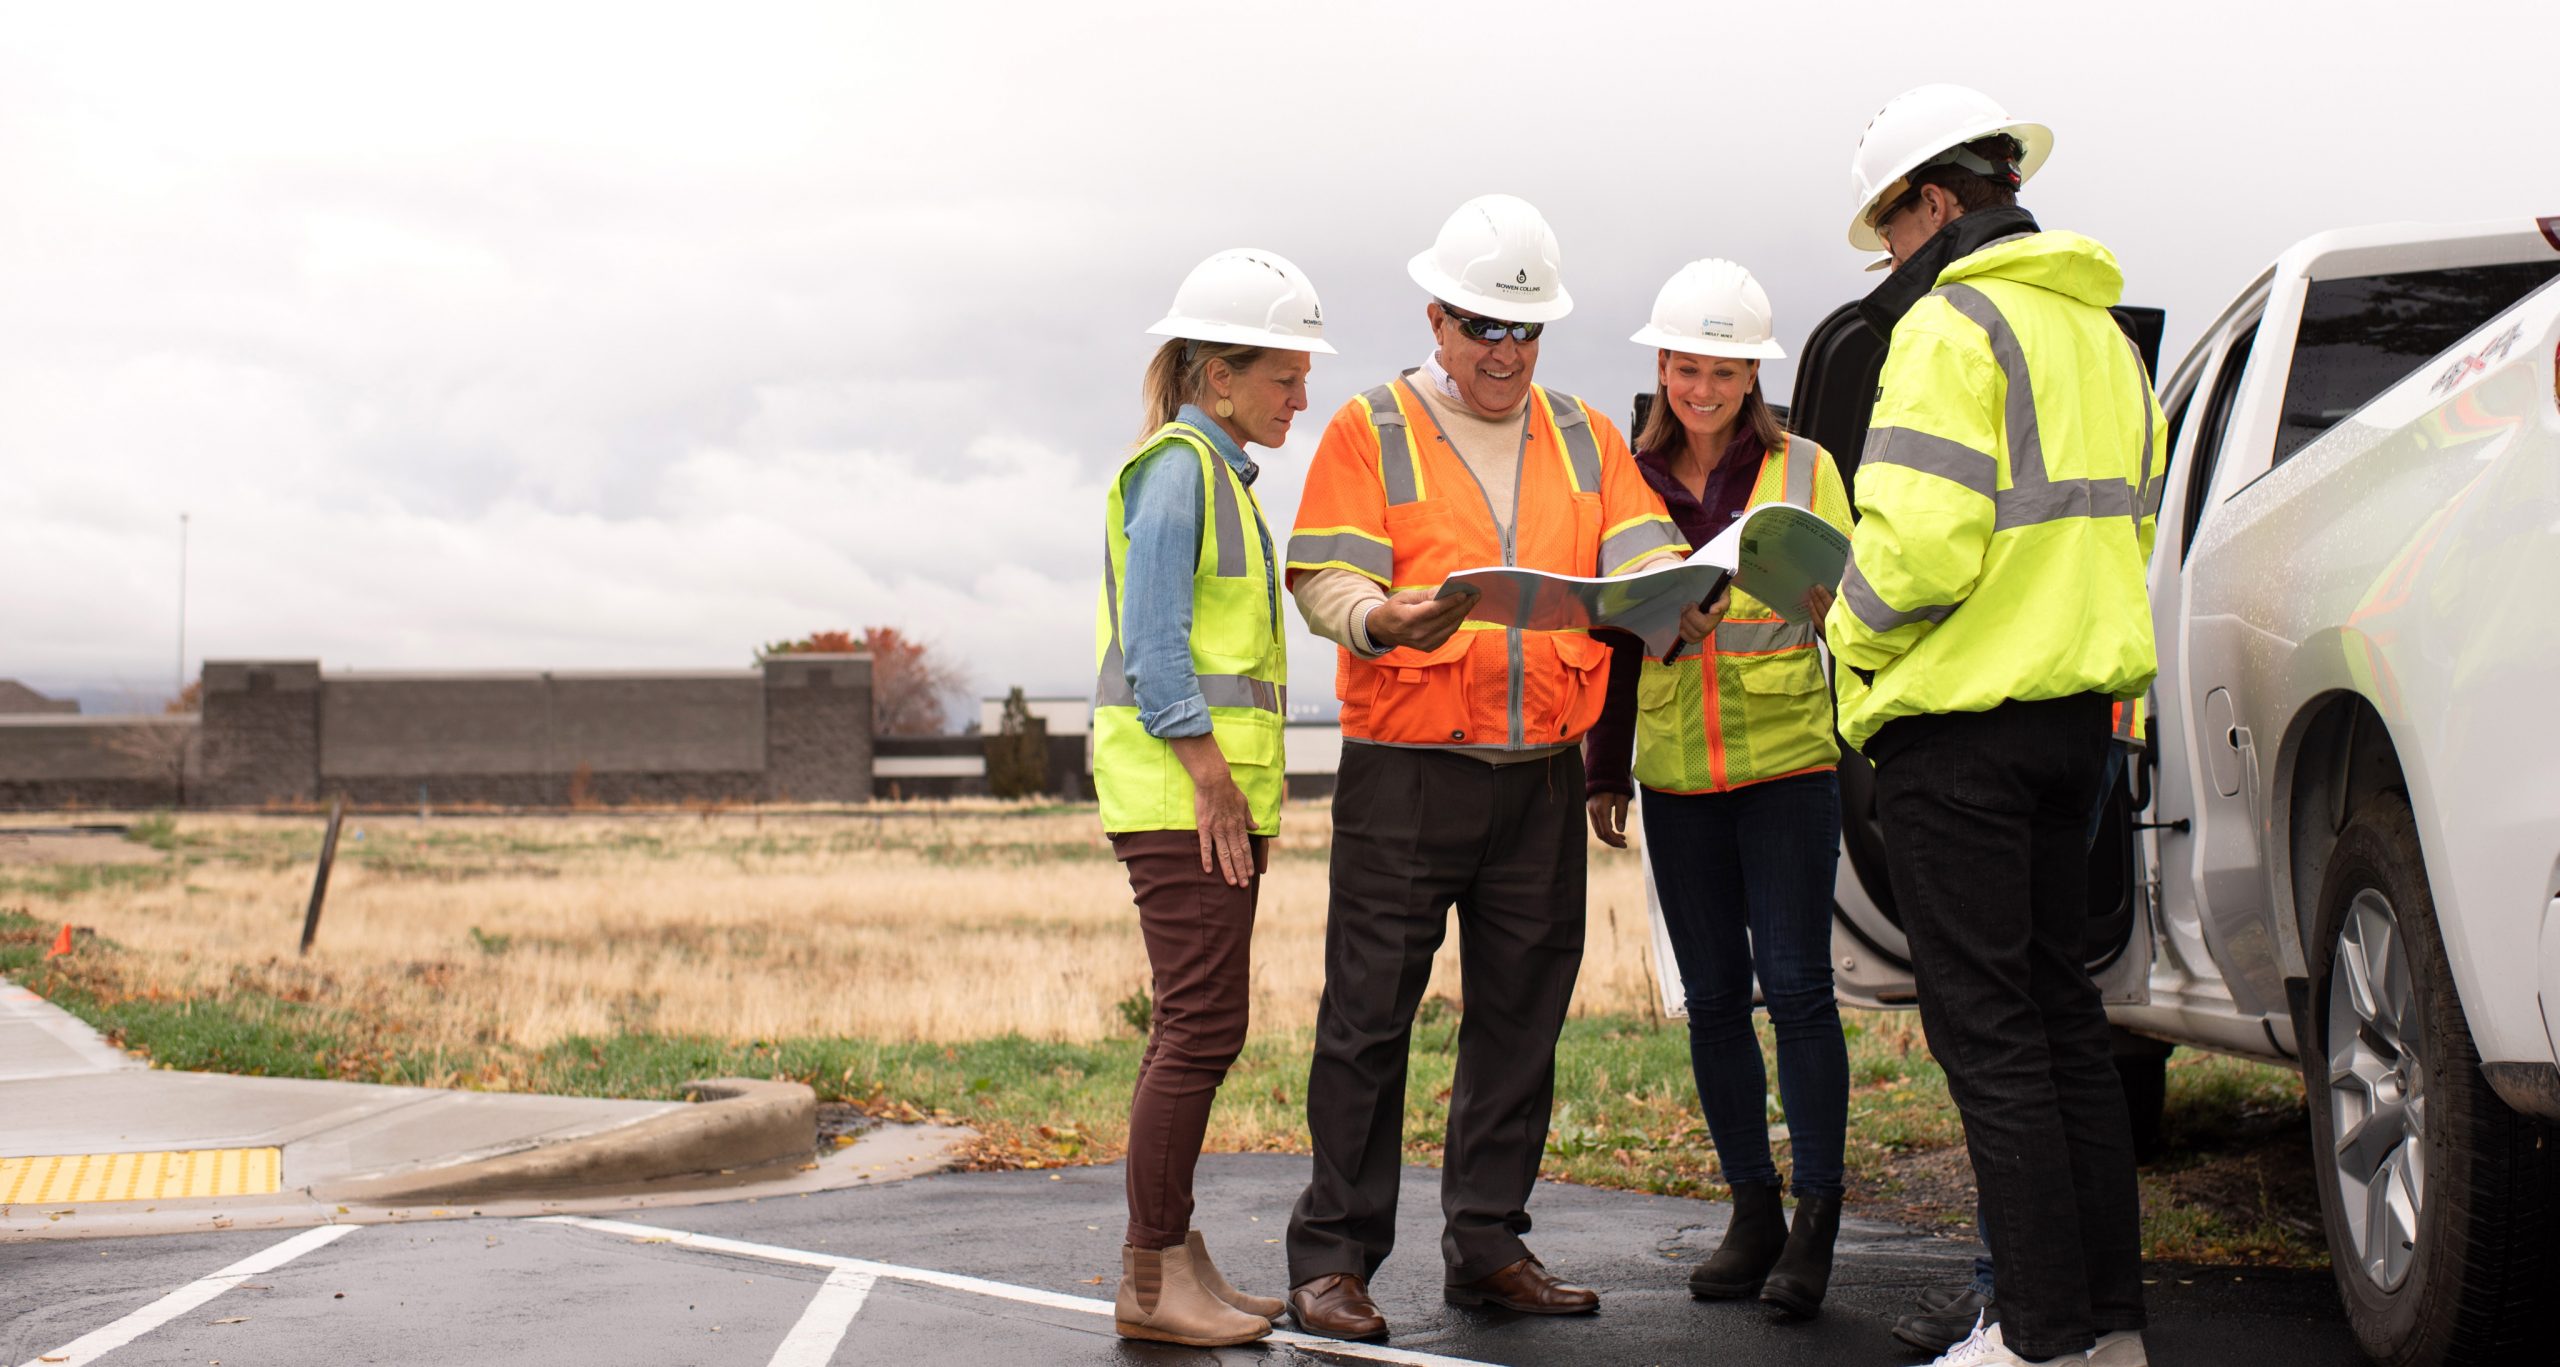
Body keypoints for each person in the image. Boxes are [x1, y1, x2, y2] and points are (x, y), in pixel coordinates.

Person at [1279, 193, 1688, 1341]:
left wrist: (1680, 595)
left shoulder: (1584, 433)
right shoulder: (1371, 428)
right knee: (1366, 1016)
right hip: (1407, 768)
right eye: (1483, 329)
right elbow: (1323, 578)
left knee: (1521, 1015)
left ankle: (1488, 1242)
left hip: (1544, 774)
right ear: (1437, 319)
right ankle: (1333, 1259)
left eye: (1526, 331)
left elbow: (1644, 548)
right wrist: (1377, 620)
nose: (1507, 353)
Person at [1824, 85, 2166, 1367]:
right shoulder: (2103, 337)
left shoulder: (1949, 325)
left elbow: (1915, 547)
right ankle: (2103, 1332)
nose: (1890, 262)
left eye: (1891, 231)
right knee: (2064, 1026)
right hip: (2075, 723)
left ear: (1933, 201)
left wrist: (1839, 634)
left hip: (1957, 727)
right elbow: (2124, 528)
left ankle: (2032, 1338)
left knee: (1995, 1042)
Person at [1582, 259, 1857, 1320]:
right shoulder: (1625, 473)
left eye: (1723, 371)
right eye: (1686, 367)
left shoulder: (1808, 467)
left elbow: (1850, 599)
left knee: (1795, 988)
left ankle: (1819, 1217)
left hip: (1788, 758)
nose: (1701, 389)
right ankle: (1754, 1208)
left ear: (1753, 373)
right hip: (1675, 771)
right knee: (1710, 1001)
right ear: (1661, 363)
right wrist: (1606, 764)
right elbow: (1610, 621)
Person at [1093, 247, 1332, 1348]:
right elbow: (1155, 650)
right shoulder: (1182, 469)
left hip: (1199, 798)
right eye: (1283, 376)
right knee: (1196, 1028)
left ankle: (1175, 1252)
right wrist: (1210, 783)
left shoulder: (1212, 470)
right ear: (1216, 374)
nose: (1300, 396)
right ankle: (1150, 1274)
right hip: (1181, 798)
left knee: (1202, 1024)